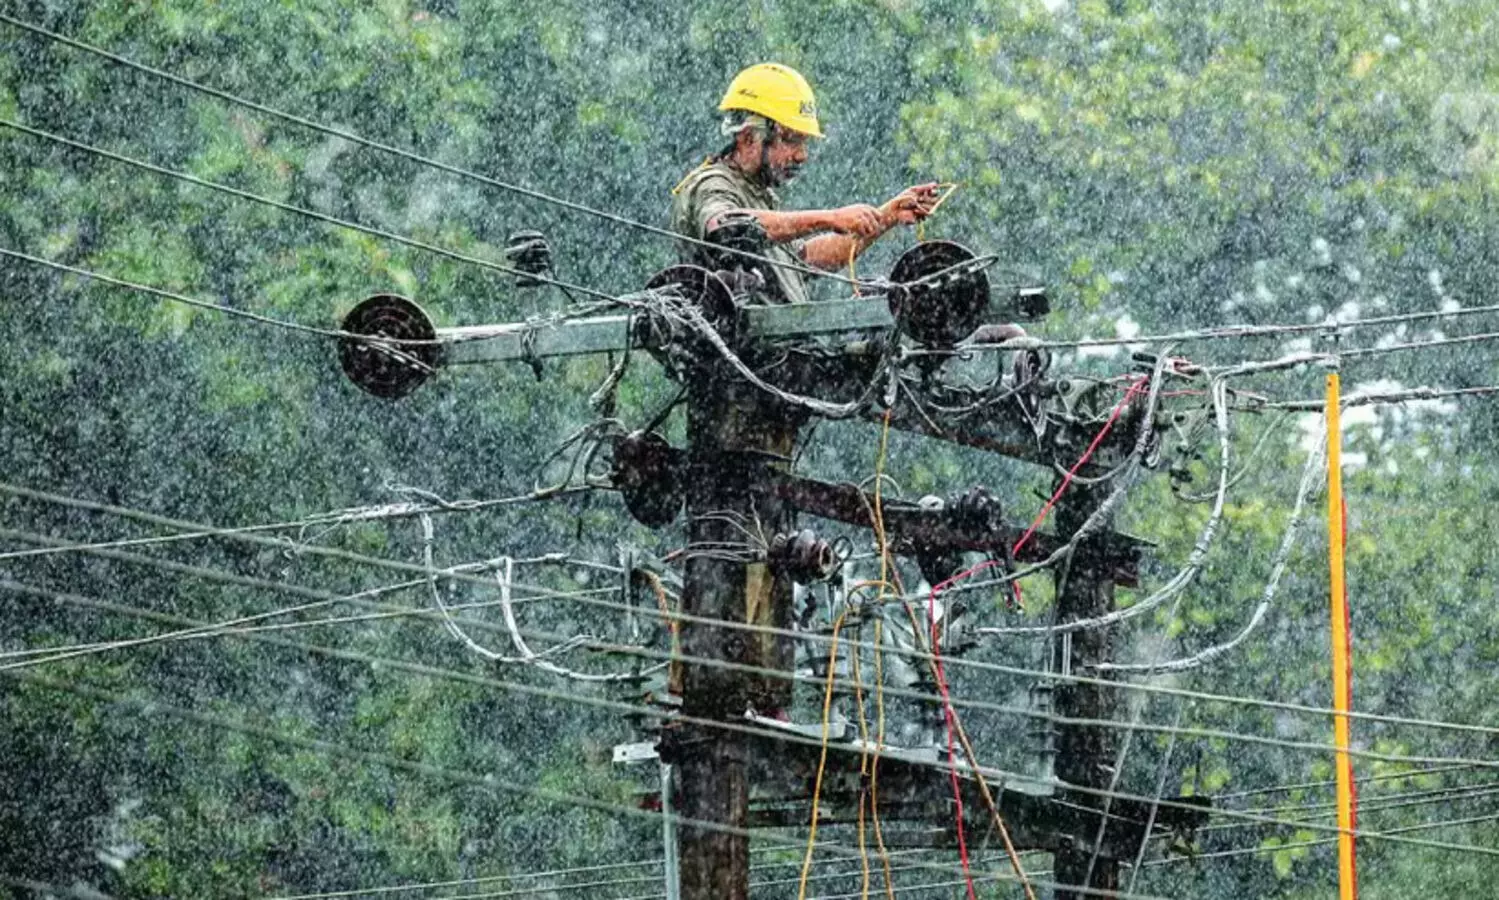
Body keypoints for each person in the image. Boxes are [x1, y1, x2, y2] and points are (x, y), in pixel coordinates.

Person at [670, 62, 940, 304]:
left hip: (785, 354)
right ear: (748, 137)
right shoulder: (713, 184)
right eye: (790, 140)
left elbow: (805, 260)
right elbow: (726, 228)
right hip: (743, 358)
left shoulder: (756, 192)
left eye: (804, 142)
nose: (802, 155)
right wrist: (829, 218)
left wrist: (885, 216)